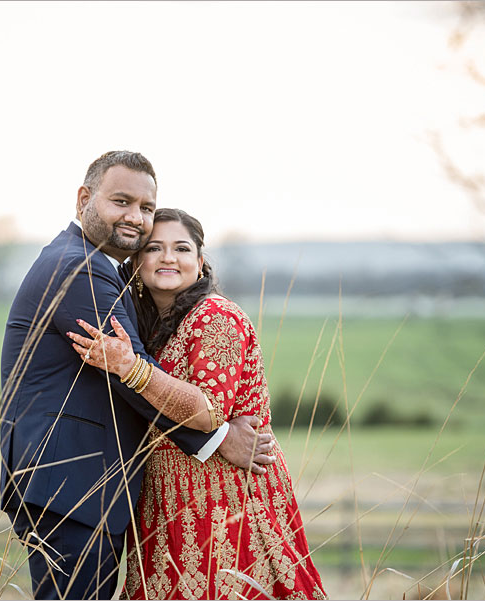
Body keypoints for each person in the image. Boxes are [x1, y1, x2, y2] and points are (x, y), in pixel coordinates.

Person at [0, 151, 277, 600]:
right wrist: (216, 435)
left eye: (146, 208)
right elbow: (129, 376)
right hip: (72, 483)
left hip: (78, 486)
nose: (136, 217)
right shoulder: (80, 267)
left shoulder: (85, 262)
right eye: (121, 201)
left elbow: (130, 370)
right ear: (84, 199)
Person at [69, 208, 327, 600]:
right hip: (168, 501)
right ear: (137, 261)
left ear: (200, 262)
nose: (168, 257)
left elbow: (207, 413)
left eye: (181, 248)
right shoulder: (152, 327)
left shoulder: (215, 317)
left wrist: (127, 366)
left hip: (225, 499)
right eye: (154, 248)